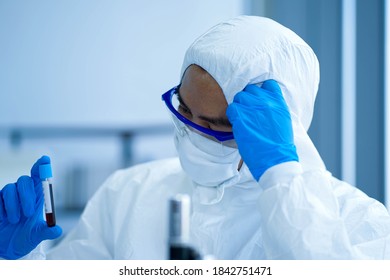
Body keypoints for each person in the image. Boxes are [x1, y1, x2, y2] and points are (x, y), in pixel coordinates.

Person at [1, 15, 390, 260]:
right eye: (185, 111)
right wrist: (18, 265)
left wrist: (282, 179)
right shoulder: (129, 193)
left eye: (220, 125)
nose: (193, 135)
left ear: (283, 125)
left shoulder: (361, 223)